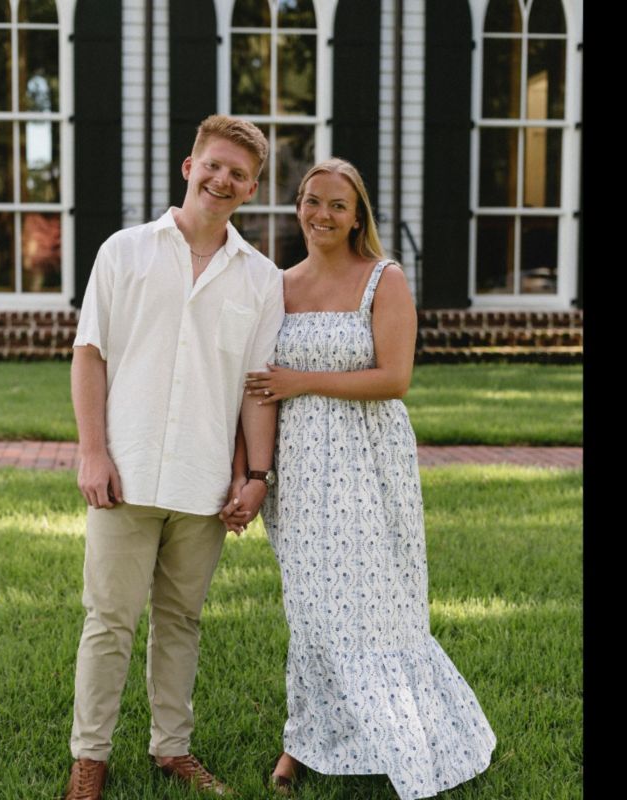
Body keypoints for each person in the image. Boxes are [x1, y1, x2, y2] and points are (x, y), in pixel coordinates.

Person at [242, 159, 496, 799]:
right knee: (310, 610)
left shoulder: (384, 278)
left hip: (367, 464)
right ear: (297, 207)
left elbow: (394, 378)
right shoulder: (277, 285)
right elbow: (259, 386)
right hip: (300, 470)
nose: (322, 214)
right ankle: (304, 738)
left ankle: (403, 733)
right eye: (312, 201)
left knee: (373, 607)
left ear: (357, 217)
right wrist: (255, 474)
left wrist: (303, 381)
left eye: (337, 205)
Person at [65, 115, 284, 800]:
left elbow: (256, 389)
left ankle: (172, 748)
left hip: (204, 480)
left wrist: (254, 476)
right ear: (190, 168)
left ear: (251, 189)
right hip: (124, 473)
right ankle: (90, 758)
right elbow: (89, 355)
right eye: (213, 165)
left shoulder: (262, 279)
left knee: (181, 621)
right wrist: (93, 452)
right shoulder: (125, 252)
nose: (223, 179)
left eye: (238, 174)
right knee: (109, 621)